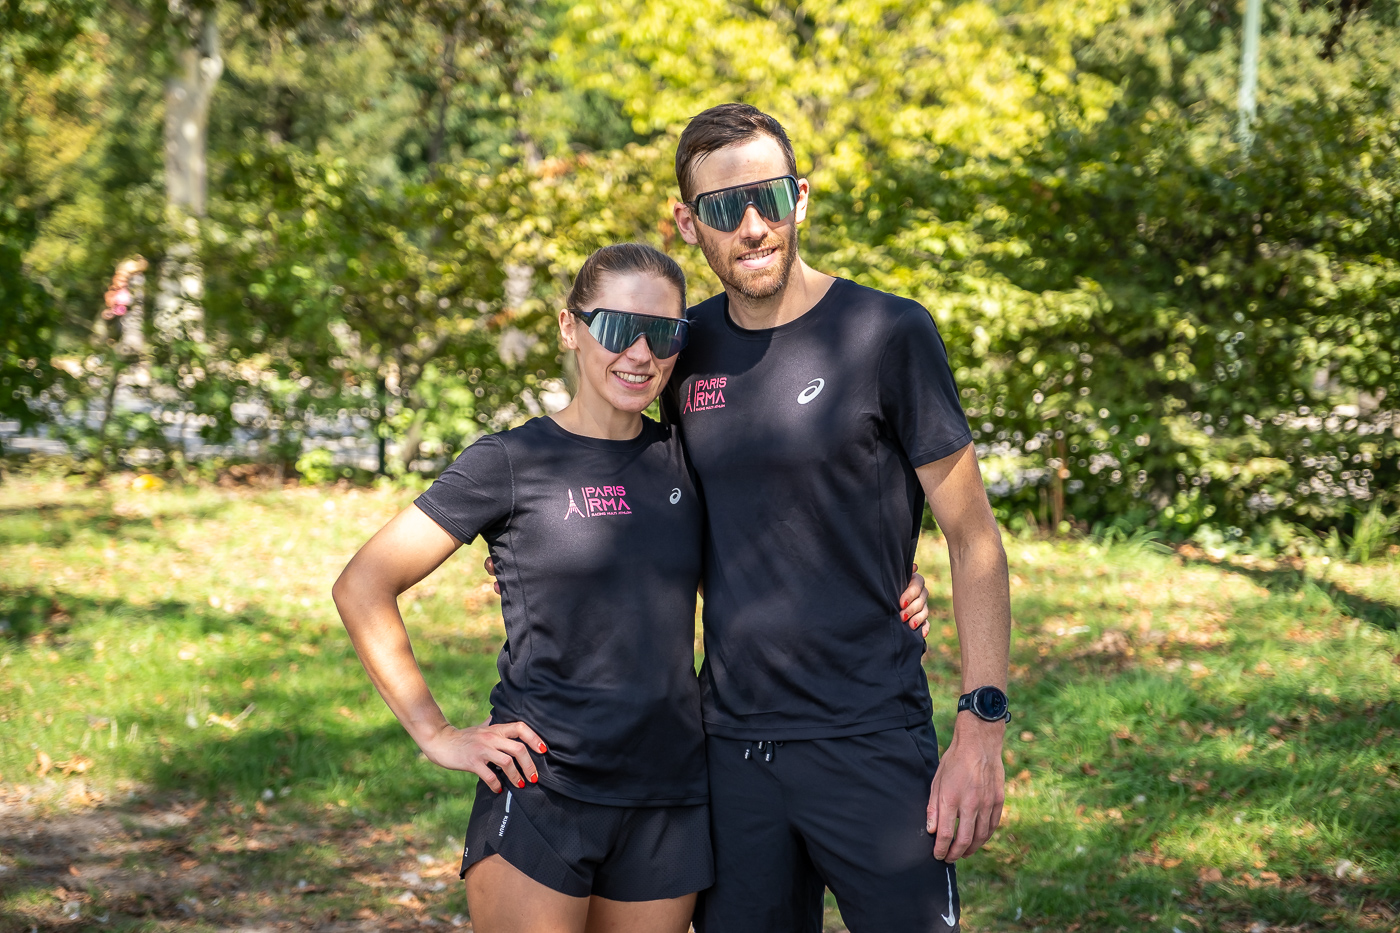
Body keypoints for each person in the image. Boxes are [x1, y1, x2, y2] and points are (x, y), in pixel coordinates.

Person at [334, 242, 937, 933]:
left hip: (672, 797)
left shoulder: (685, 459)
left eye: (665, 334)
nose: (641, 353)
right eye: (618, 329)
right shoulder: (509, 462)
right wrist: (436, 733)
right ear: (570, 328)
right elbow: (363, 585)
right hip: (545, 787)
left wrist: (894, 578)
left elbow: (774, 551)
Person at [663, 104, 1013, 933]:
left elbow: (974, 539)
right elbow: (646, 490)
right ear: (688, 222)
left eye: (770, 198)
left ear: (801, 198)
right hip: (732, 751)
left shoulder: (887, 331)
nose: (752, 226)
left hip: (872, 741)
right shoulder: (682, 348)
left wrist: (981, 730)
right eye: (722, 208)